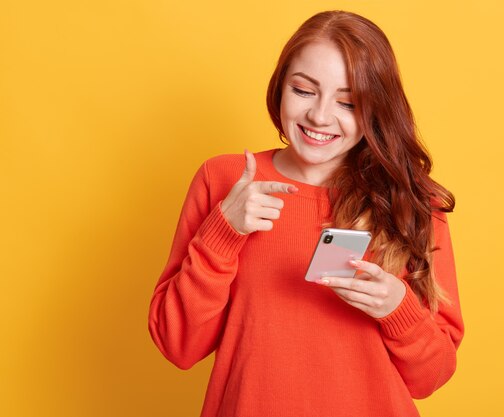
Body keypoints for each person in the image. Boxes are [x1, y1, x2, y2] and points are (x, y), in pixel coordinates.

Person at [148, 10, 464, 417]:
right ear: (280, 87)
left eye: (348, 102)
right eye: (303, 90)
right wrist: (222, 232)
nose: (319, 116)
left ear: (376, 110)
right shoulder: (224, 180)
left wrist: (398, 308)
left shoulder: (411, 200)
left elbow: (432, 376)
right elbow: (178, 345)